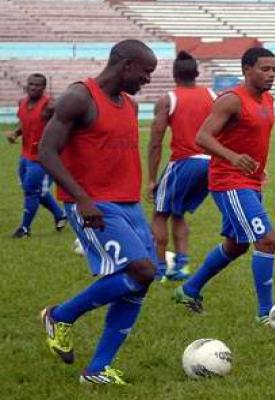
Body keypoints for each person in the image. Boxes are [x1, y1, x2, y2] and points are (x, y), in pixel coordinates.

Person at [37, 39, 158, 384]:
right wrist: (81, 198)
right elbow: (46, 151)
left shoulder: (130, 106)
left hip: (128, 204)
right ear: (126, 65)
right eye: (145, 72)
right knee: (142, 270)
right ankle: (61, 316)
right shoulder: (80, 97)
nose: (147, 80)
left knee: (141, 282)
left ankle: (98, 368)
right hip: (92, 203)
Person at [173, 47, 275, 325]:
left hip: (250, 181)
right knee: (267, 239)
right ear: (247, 69)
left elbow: (251, 138)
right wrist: (234, 158)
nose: (271, 74)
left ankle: (189, 289)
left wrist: (258, 167)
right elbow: (202, 137)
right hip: (229, 182)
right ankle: (266, 314)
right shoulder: (231, 100)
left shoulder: (268, 99)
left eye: (274, 69)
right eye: (265, 69)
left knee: (236, 245)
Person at [147, 51, 215, 281]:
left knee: (159, 213)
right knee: (178, 213)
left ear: (174, 74)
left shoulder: (169, 99)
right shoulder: (213, 96)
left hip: (184, 162)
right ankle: (182, 266)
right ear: (197, 73)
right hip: (210, 164)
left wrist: (151, 179)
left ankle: (158, 269)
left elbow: (156, 142)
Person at [5, 73, 67, 238]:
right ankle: (60, 215)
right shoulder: (22, 102)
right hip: (25, 155)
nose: (33, 87)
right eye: (31, 84)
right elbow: (25, 123)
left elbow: (64, 126)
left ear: (44, 88)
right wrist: (15, 133)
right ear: (27, 85)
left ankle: (24, 229)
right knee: (31, 188)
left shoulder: (50, 106)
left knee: (31, 191)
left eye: (37, 85)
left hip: (43, 157)